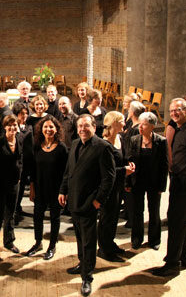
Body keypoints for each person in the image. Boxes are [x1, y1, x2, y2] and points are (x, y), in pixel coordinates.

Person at [59, 114, 115, 296]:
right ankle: (82, 264)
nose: (82, 129)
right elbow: (69, 171)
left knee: (89, 242)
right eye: (79, 126)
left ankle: (87, 277)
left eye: (86, 126)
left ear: (94, 127)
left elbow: (109, 178)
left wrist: (98, 200)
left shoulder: (103, 147)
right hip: (74, 200)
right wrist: (63, 190)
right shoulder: (75, 143)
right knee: (80, 238)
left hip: (89, 202)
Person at [151, 98, 186, 277]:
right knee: (180, 221)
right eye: (172, 110)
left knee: (175, 221)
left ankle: (172, 263)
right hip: (177, 179)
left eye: (178, 110)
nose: (174, 113)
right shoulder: (179, 128)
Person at [25, 115, 68, 260]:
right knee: (38, 216)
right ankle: (38, 243)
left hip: (56, 190)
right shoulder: (37, 146)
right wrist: (32, 188)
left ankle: (52, 246)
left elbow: (66, 172)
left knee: (54, 218)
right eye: (45, 127)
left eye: (51, 127)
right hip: (40, 187)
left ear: (56, 129)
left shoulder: (62, 148)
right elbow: (33, 169)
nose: (48, 129)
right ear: (41, 129)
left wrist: (64, 191)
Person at [127, 112, 168, 251]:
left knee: (154, 212)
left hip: (154, 182)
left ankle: (154, 240)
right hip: (137, 181)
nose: (140, 127)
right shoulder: (134, 140)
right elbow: (130, 161)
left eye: (144, 124)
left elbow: (164, 165)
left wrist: (162, 185)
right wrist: (128, 183)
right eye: (140, 124)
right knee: (137, 211)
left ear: (152, 126)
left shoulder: (161, 141)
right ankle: (137, 239)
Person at [97, 111, 135, 263]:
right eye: (122, 121)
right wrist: (124, 170)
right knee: (106, 218)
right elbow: (104, 171)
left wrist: (128, 166)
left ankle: (110, 244)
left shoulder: (119, 138)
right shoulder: (103, 143)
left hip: (118, 185)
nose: (125, 124)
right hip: (108, 187)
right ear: (114, 123)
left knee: (113, 218)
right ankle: (104, 249)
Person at [0, 114, 22, 262]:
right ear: (5, 127)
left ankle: (9, 242)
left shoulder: (19, 140)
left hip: (14, 185)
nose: (13, 128)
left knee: (10, 215)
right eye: (10, 125)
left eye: (15, 125)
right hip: (0, 186)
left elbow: (21, 159)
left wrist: (20, 175)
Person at [12, 101, 33, 223]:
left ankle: (18, 206)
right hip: (16, 162)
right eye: (21, 114)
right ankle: (13, 210)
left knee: (22, 186)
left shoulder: (29, 127)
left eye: (25, 113)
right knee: (17, 187)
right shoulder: (14, 127)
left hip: (26, 162)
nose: (24, 116)